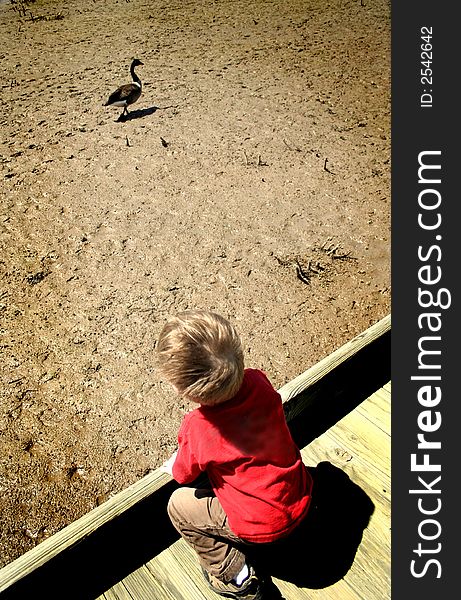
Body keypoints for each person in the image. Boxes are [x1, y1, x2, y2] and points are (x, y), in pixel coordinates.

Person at [157, 310, 313, 599]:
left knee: (177, 505)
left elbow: (182, 474)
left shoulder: (200, 427)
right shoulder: (260, 383)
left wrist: (176, 461)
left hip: (262, 526)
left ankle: (235, 575)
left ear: (183, 391)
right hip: (300, 497)